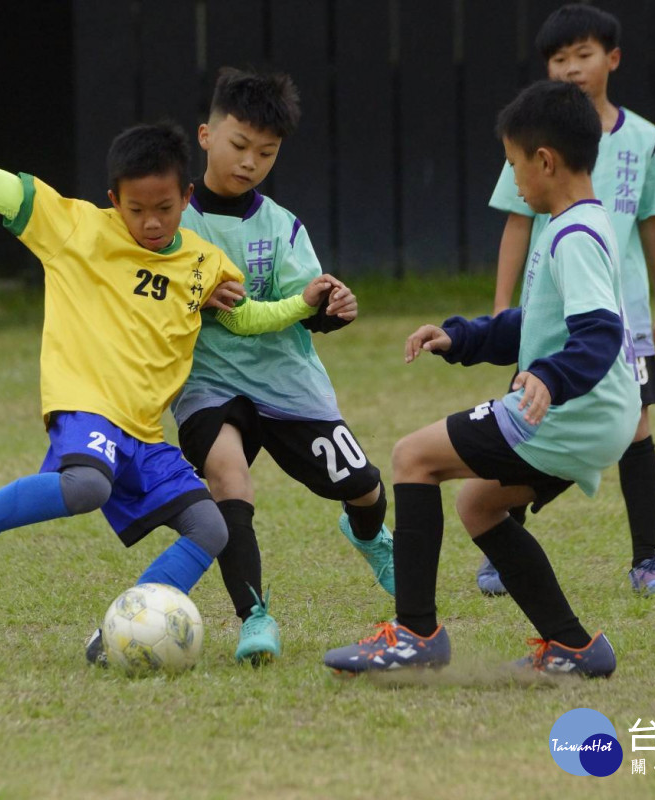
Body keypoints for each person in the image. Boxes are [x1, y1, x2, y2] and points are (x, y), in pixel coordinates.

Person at [0, 123, 350, 664]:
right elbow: (3, 186)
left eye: (164, 207)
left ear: (187, 198)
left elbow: (244, 318)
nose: (150, 222)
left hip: (144, 431)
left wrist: (302, 305)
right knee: (85, 486)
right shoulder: (75, 228)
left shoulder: (203, 264)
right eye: (135, 210)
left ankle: (118, 631)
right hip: (86, 405)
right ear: (114, 200)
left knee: (209, 527)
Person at [324, 80, 640, 677]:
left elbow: (598, 333)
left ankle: (415, 634)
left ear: (544, 161)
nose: (513, 176)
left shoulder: (572, 235)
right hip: (599, 415)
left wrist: (550, 376)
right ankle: (573, 645)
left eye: (514, 162)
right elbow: (538, 323)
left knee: (412, 457)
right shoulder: (580, 223)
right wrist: (463, 338)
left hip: (571, 411)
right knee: (478, 507)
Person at [173, 67, 394, 665]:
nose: (249, 162)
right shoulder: (173, 222)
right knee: (227, 477)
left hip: (288, 384)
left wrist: (333, 307)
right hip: (208, 384)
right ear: (205, 135)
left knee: (366, 487)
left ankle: (369, 534)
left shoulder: (281, 225)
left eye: (265, 153)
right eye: (239, 145)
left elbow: (308, 303)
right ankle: (254, 619)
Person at [480, 3, 655, 598]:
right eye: (558, 59)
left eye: (583, 55)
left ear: (612, 59)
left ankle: (647, 561)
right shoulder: (531, 139)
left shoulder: (644, 139)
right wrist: (500, 308)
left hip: (625, 320)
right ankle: (499, 543)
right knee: (527, 418)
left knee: (636, 426)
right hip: (548, 315)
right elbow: (517, 225)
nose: (571, 69)